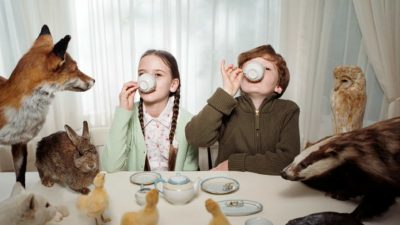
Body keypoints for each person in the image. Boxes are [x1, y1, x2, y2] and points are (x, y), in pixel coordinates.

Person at [185, 45, 299, 175]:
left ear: (279, 86)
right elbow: (196, 138)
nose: (256, 71)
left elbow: (288, 160)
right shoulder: (226, 106)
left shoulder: (288, 110)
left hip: (271, 186)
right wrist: (226, 93)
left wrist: (234, 164)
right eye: (250, 67)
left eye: (266, 68)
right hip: (229, 183)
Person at [102, 49, 198, 172]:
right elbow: (110, 167)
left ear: (173, 84)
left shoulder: (188, 122)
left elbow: (190, 175)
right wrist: (123, 111)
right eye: (142, 74)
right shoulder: (127, 116)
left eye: (157, 74)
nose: (147, 79)